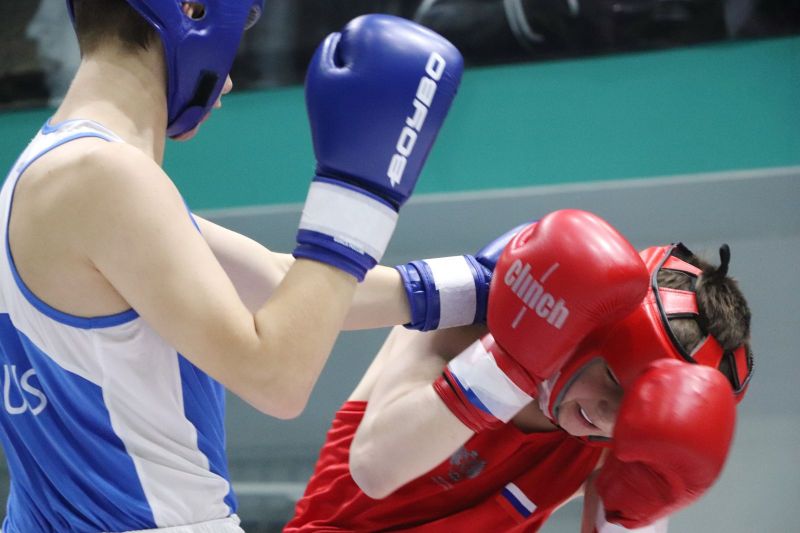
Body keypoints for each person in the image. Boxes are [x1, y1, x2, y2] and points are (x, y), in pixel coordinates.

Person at [0, 2, 483, 531]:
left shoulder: (52, 173)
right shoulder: (103, 177)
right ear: (191, 9)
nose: (227, 81)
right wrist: (357, 192)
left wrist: (480, 285)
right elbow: (275, 376)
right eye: (239, 33)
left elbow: (276, 285)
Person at [284, 209, 754, 532]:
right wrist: (510, 364)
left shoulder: (613, 444)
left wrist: (637, 514)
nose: (609, 413)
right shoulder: (466, 327)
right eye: (613, 379)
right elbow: (375, 469)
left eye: (634, 407)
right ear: (593, 328)